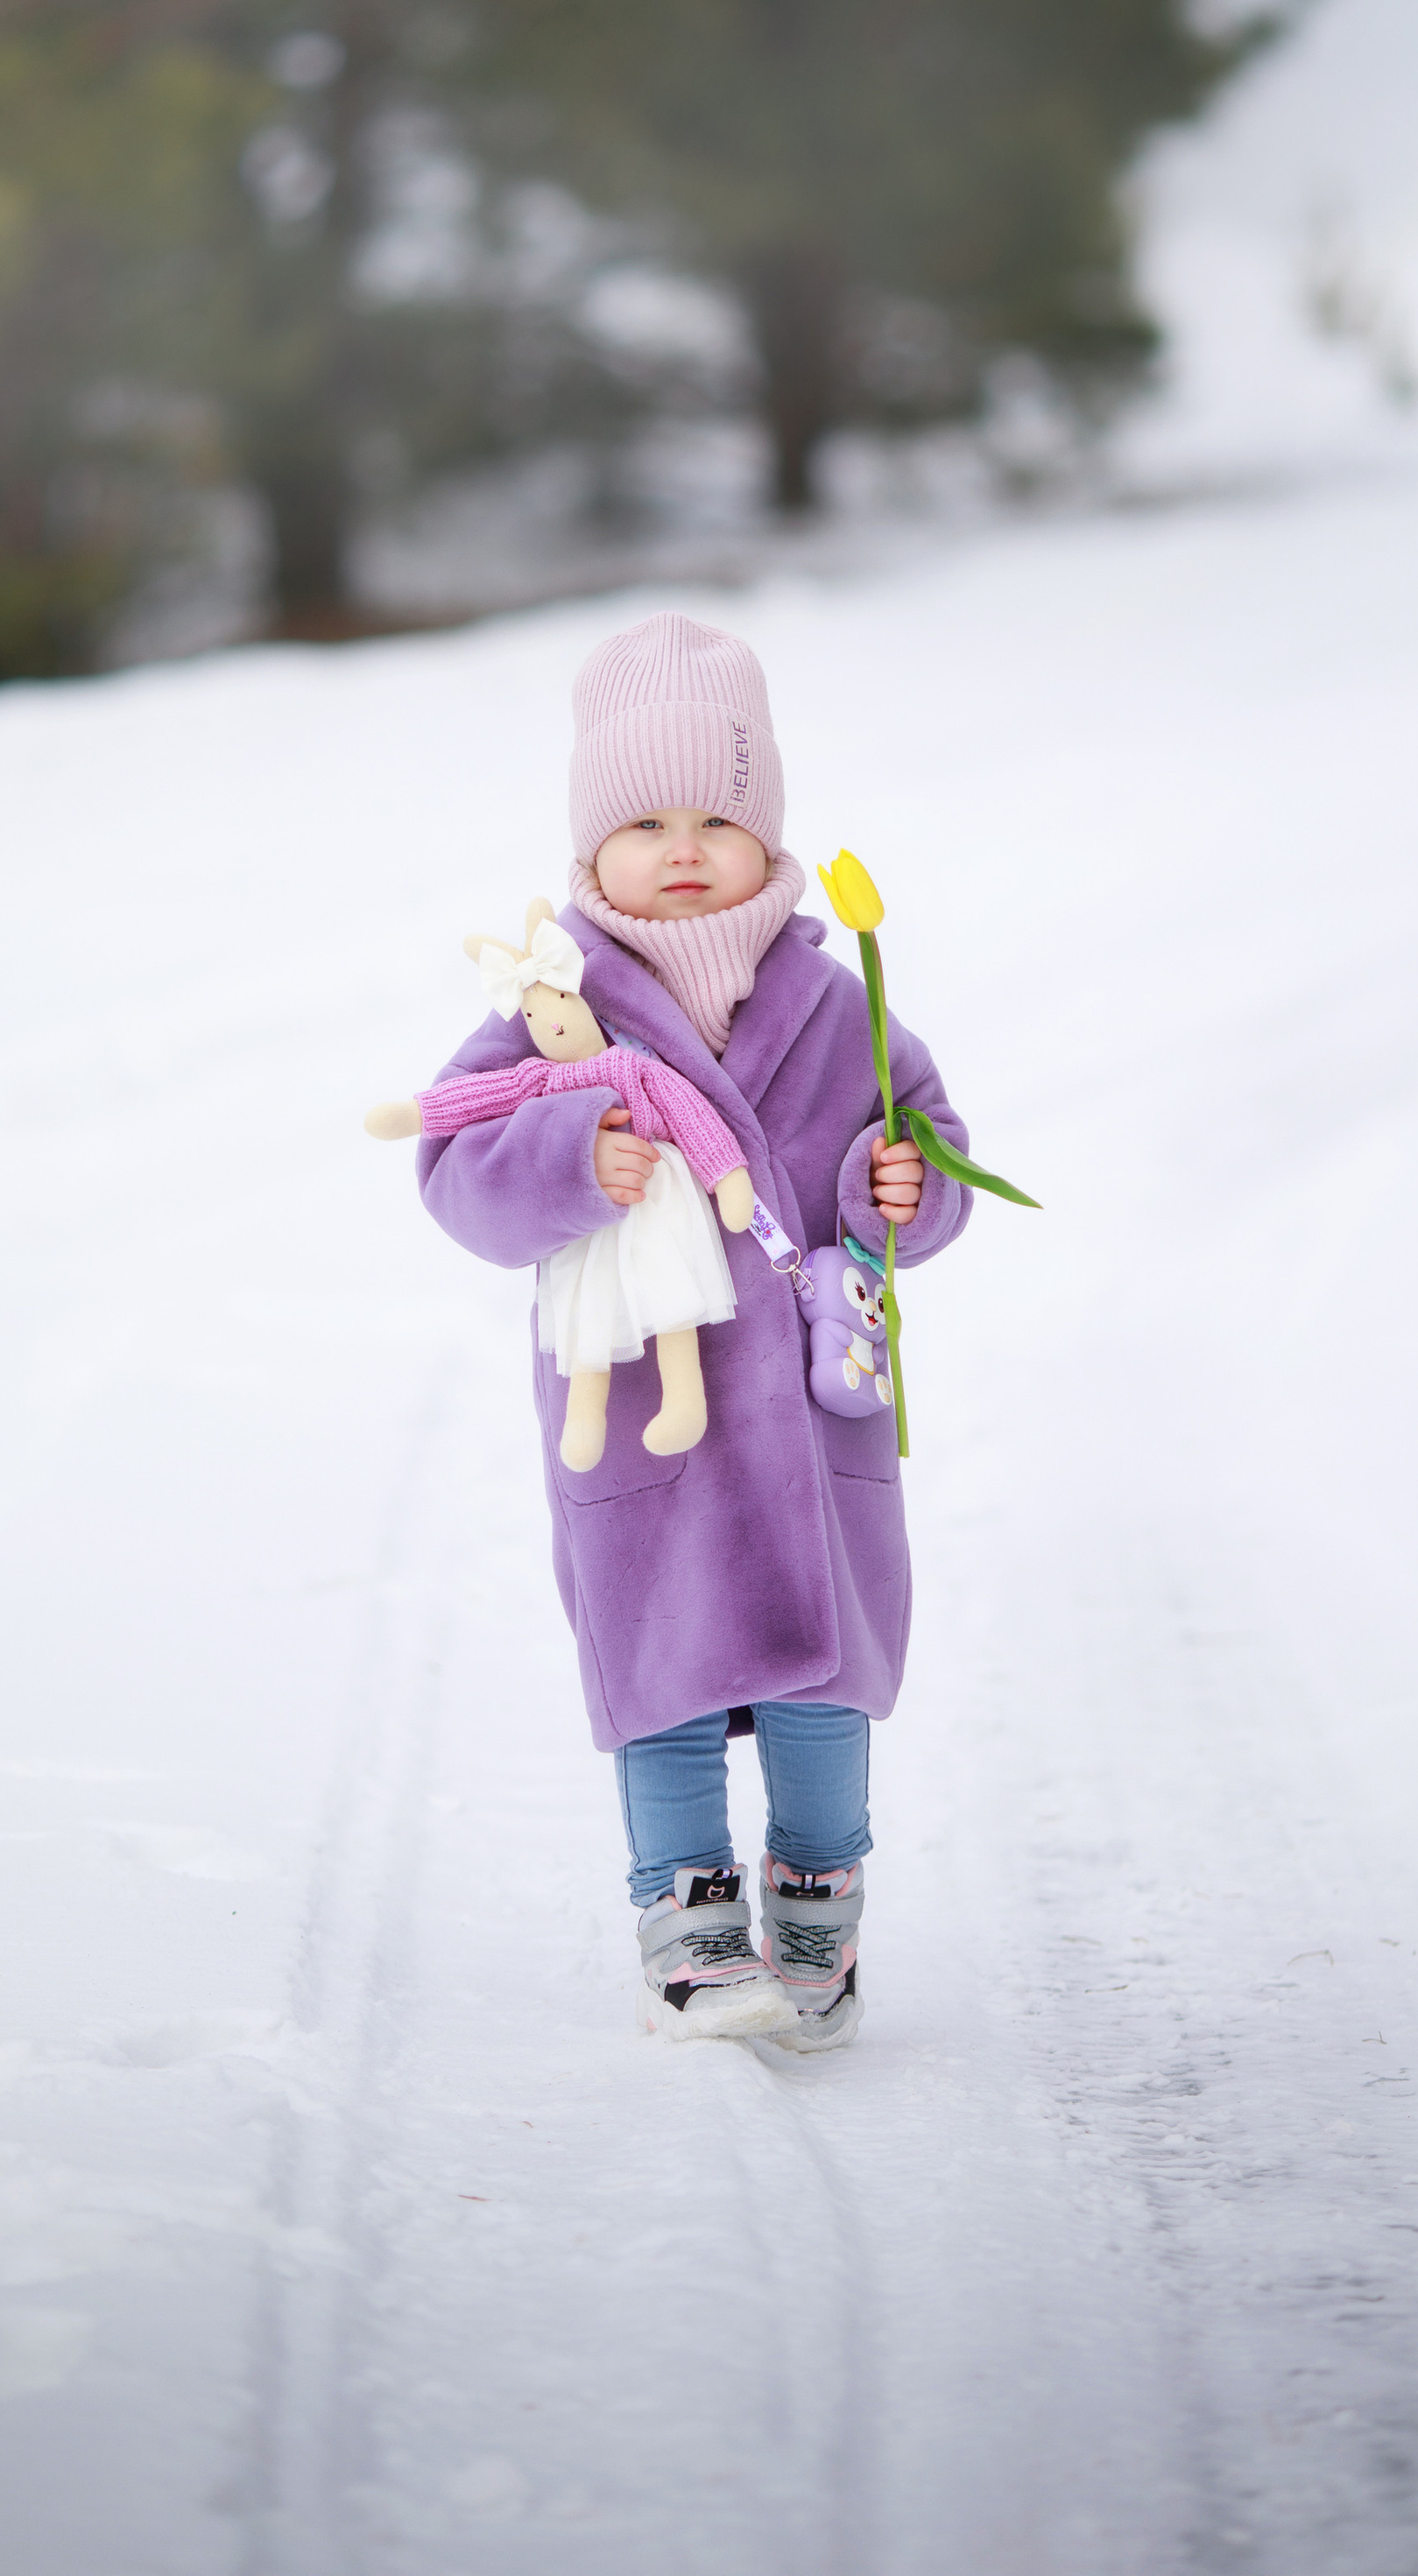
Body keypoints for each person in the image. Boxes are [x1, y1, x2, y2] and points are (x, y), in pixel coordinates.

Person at [413, 612, 974, 2050]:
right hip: (641, 1406)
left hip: (803, 1404)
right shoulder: (555, 1004)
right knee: (659, 1658)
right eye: (643, 820)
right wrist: (560, 1166)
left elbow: (927, 1152)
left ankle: (816, 1898)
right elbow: (453, 1168)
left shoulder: (838, 1003)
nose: (680, 846)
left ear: (767, 832)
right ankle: (685, 1910)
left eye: (717, 816)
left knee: (822, 1658)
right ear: (589, 848)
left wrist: (891, 1186)